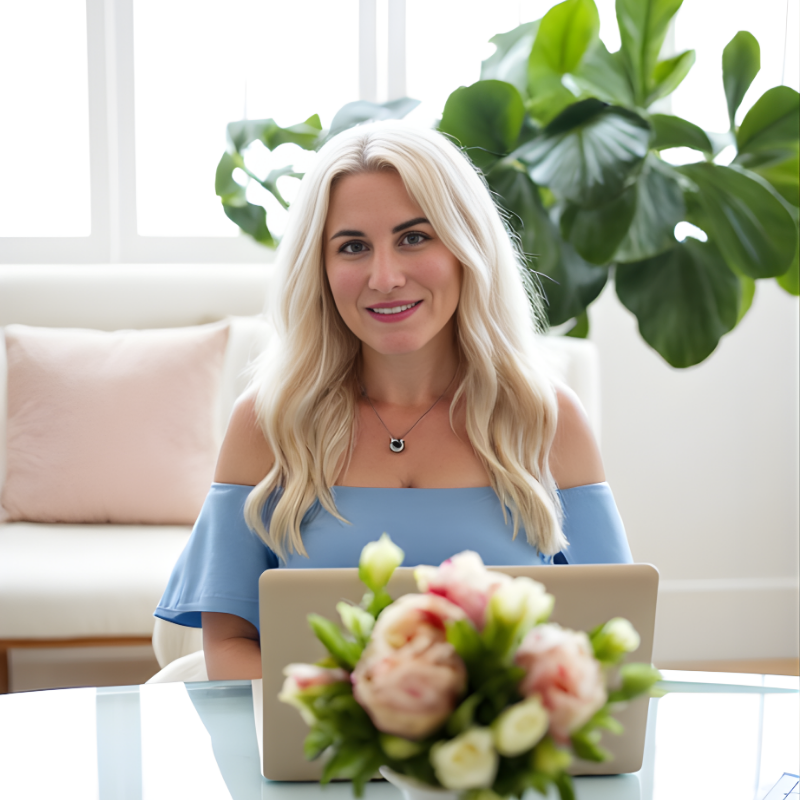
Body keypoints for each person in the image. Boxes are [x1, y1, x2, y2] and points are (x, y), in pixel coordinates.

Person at [155, 122, 632, 680]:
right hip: (316, 760)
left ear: (466, 247)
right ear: (321, 268)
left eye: (414, 237)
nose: (384, 277)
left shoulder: (549, 419)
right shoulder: (267, 424)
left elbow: (612, 641)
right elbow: (231, 643)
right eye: (353, 247)